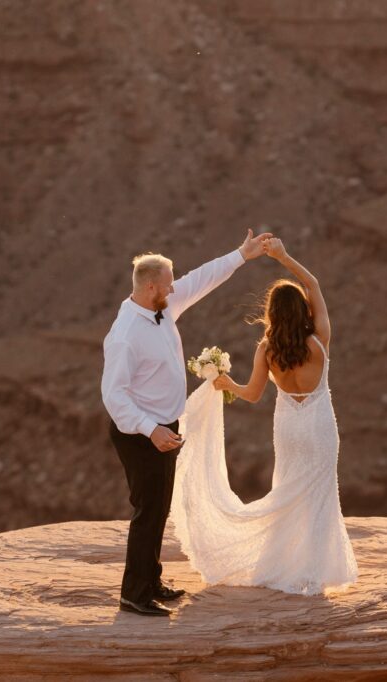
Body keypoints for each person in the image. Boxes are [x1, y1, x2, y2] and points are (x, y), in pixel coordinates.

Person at [170, 236, 358, 597]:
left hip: (287, 427)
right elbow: (314, 283)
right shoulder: (319, 339)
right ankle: (313, 576)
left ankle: (279, 564)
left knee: (285, 491)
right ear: (302, 309)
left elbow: (253, 395)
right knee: (319, 496)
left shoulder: (268, 348)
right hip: (318, 426)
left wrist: (228, 383)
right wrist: (284, 258)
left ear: (272, 313)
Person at [101, 228, 272, 617]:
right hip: (142, 434)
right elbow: (114, 396)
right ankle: (134, 594)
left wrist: (241, 255)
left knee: (159, 507)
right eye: (167, 283)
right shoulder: (126, 334)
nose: (175, 287)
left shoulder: (161, 307)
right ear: (149, 288)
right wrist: (153, 430)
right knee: (148, 511)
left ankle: (151, 579)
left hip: (164, 428)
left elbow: (201, 279)